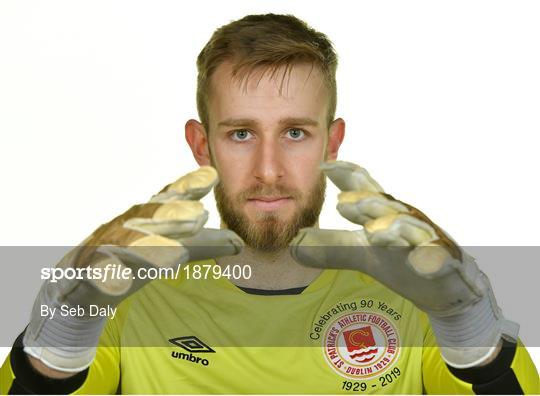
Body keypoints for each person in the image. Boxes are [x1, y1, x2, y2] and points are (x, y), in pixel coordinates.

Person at [1, 13, 538, 395]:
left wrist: (474, 338)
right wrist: (57, 343)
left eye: (296, 133)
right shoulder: (120, 295)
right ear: (201, 144)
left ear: (332, 142)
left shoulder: (417, 290)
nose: (267, 169)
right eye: (239, 134)